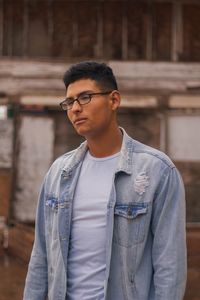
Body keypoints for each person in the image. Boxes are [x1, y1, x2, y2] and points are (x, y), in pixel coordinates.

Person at [23, 61, 187, 300]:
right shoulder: (59, 173)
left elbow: (169, 266)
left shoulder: (157, 171)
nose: (75, 108)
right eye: (69, 102)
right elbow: (41, 257)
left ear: (114, 100)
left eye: (85, 97)